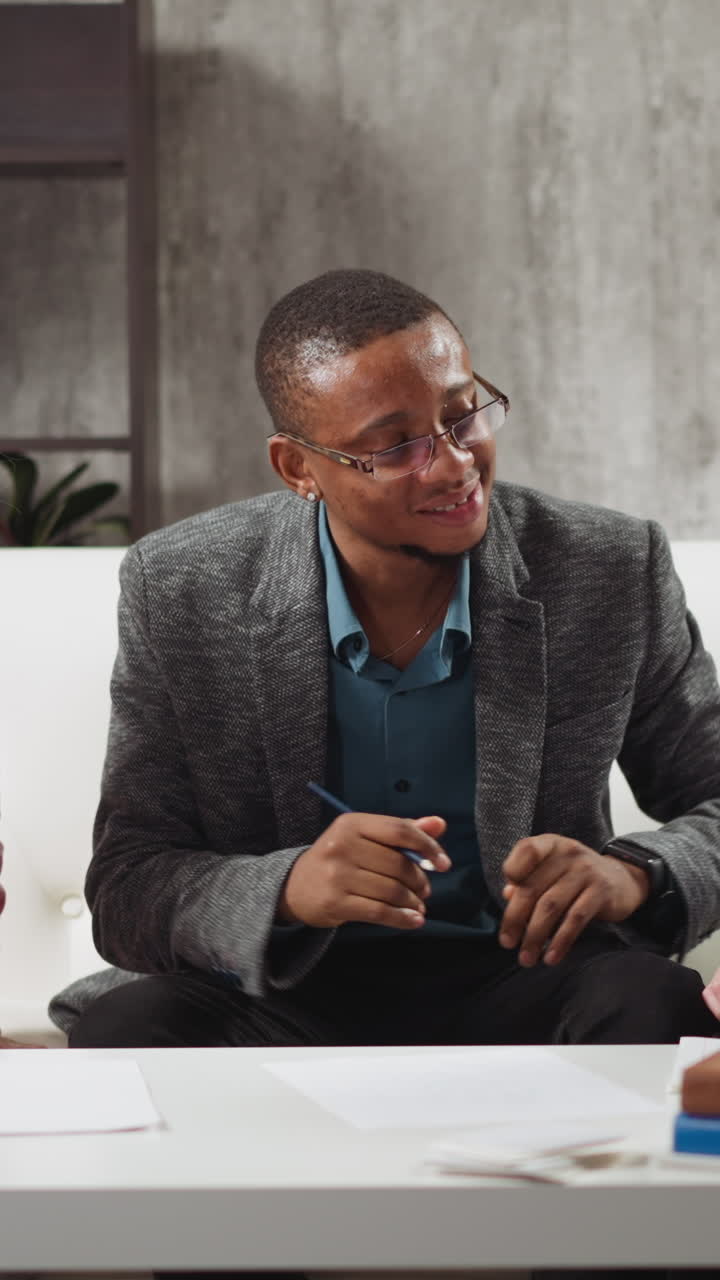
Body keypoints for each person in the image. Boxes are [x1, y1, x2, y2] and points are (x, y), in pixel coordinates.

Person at [68, 267, 720, 1052]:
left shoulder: (608, 565)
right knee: (128, 1028)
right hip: (282, 992)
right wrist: (288, 889)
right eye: (396, 445)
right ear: (298, 468)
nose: (453, 464)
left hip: (527, 978)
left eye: (463, 413)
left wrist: (634, 875)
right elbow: (129, 884)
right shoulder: (181, 585)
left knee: (652, 1003)